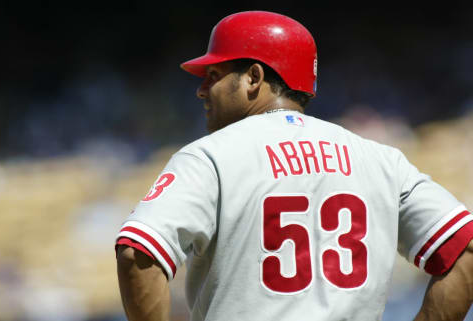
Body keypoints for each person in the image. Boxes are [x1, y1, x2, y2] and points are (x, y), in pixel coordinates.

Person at [115, 10, 473, 321]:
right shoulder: (380, 159)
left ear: (254, 77)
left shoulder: (210, 157)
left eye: (215, 75)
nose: (202, 89)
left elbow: (136, 252)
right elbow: (465, 249)